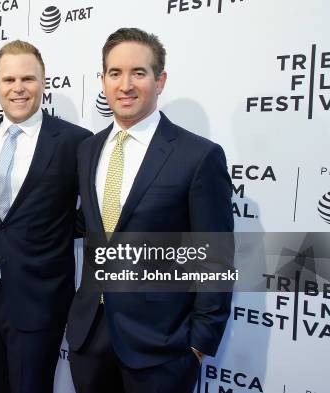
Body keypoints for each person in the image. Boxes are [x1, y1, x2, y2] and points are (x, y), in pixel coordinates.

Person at [66, 27, 234, 393]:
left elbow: (216, 257)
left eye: (138, 73)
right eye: (115, 73)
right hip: (90, 338)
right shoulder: (87, 150)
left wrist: (199, 343)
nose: (125, 84)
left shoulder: (199, 156)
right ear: (103, 80)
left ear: (160, 81)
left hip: (163, 347)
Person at [0, 40, 91, 393]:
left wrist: (51, 233)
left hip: (41, 299)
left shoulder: (75, 142)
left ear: (43, 82)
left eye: (28, 78)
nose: (18, 88)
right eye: (8, 80)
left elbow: (97, 214)